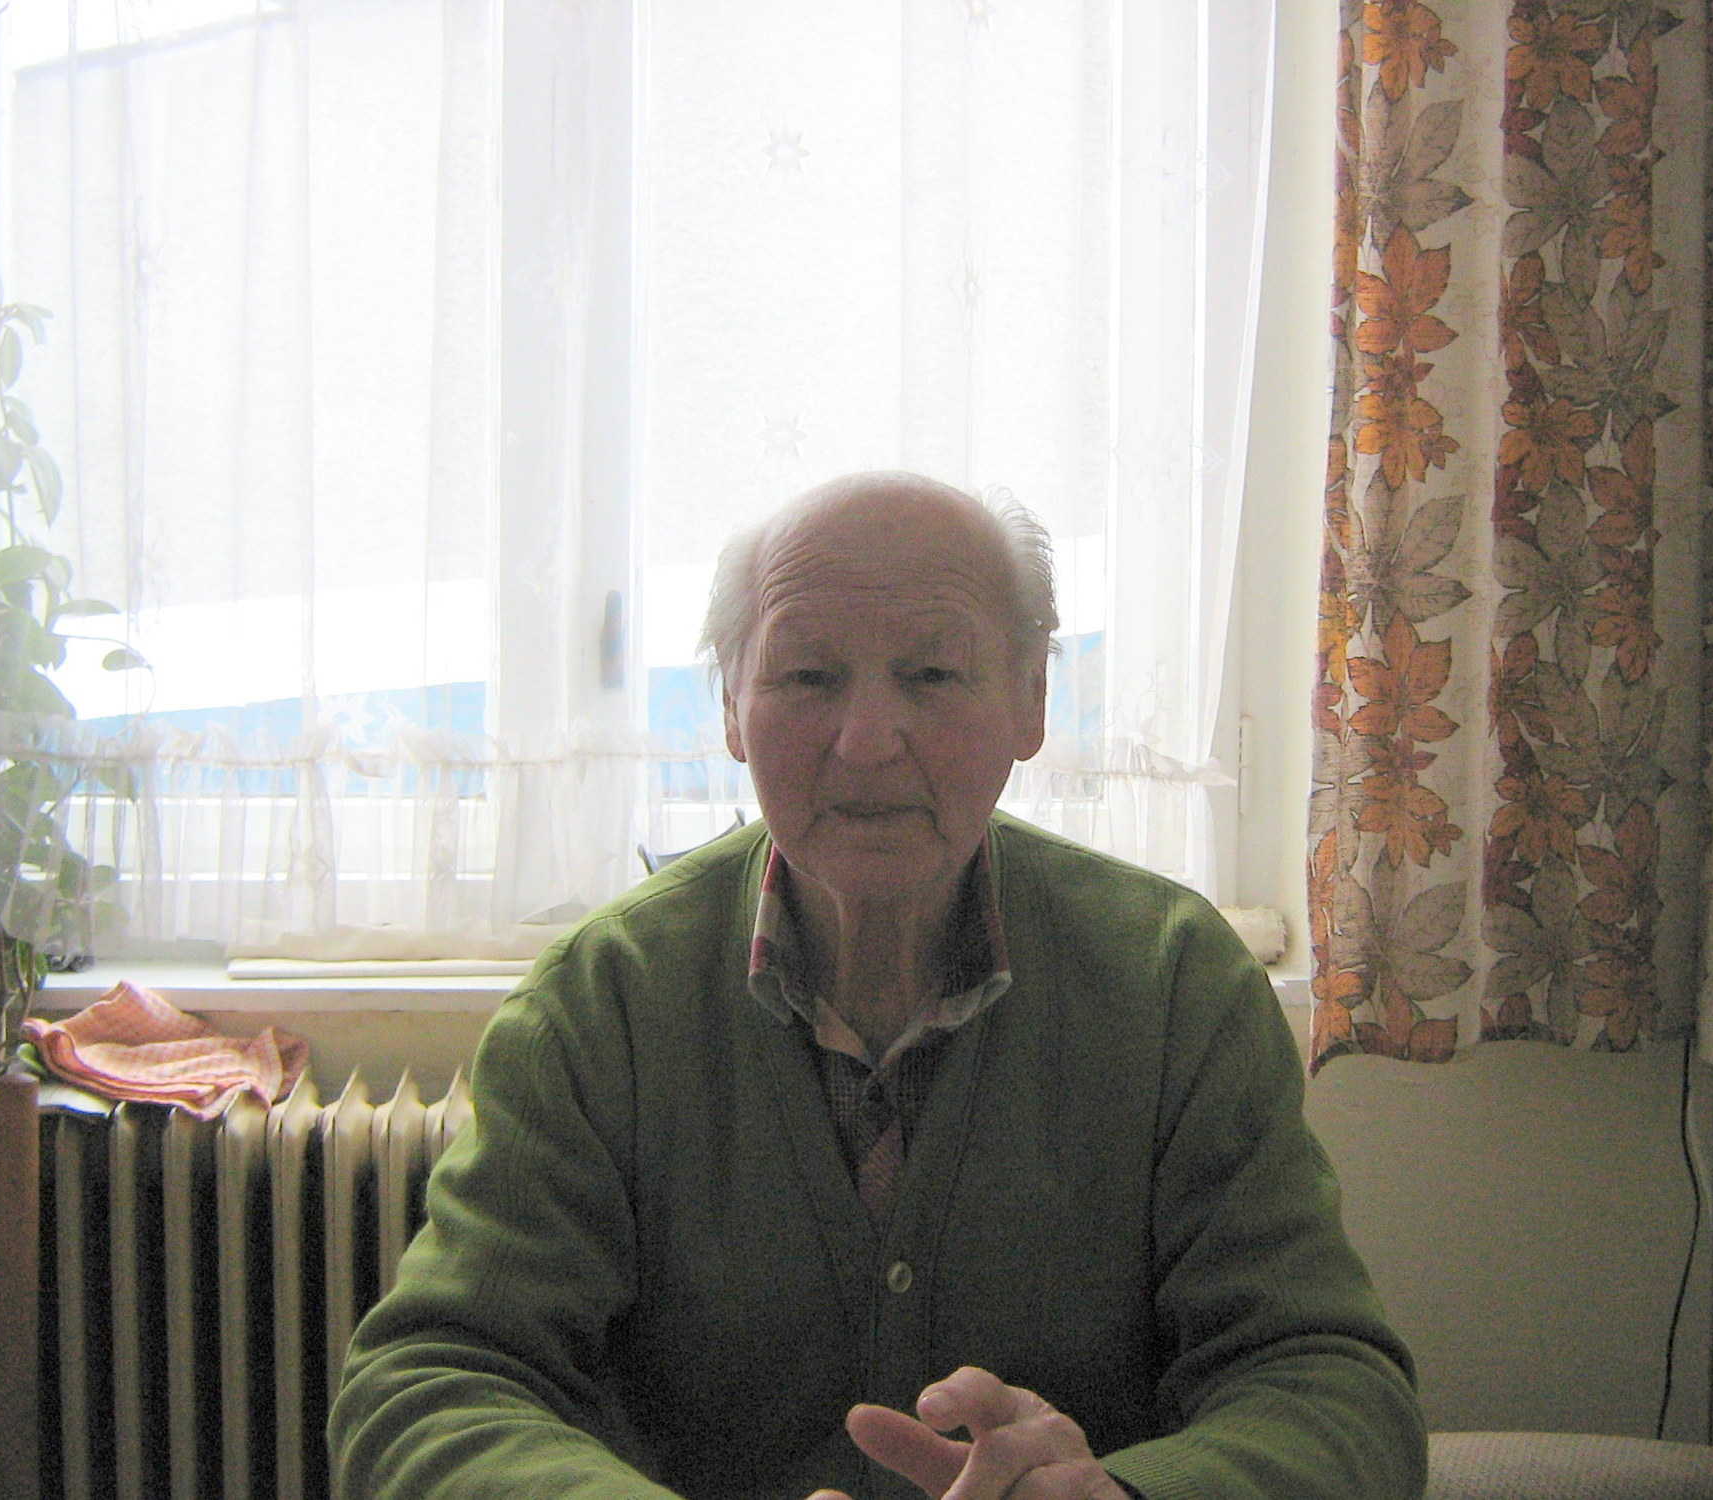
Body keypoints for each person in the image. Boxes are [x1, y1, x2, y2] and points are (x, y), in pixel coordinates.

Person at [329, 473, 1426, 1500]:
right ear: (729, 708)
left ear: (1032, 702)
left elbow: (1329, 1384)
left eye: (932, 675)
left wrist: (1121, 1494)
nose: (863, 742)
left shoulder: (1174, 985)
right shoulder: (602, 1002)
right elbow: (429, 1385)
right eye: (807, 678)